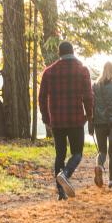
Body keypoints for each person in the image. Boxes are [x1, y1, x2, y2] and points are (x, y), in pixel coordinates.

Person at [38, 41, 94, 200]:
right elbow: (88, 97)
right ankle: (66, 173)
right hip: (76, 119)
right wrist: (89, 116)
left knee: (60, 155)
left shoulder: (49, 72)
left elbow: (41, 98)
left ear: (59, 53)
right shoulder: (82, 70)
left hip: (57, 119)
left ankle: (61, 194)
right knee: (77, 153)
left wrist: (46, 117)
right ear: (73, 51)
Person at [92, 61, 112, 188]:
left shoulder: (95, 86)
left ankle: (99, 166)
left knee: (102, 151)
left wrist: (91, 122)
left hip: (99, 123)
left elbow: (92, 105)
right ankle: (111, 182)